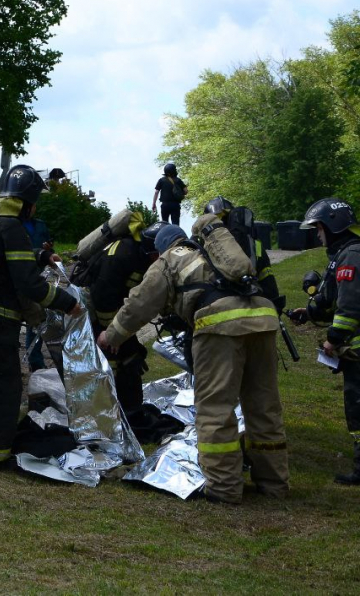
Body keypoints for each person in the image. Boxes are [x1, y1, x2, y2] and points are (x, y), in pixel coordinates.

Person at [96, 224, 289, 504]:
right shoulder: (212, 254)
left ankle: (224, 487)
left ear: (162, 247)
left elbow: (140, 303)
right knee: (263, 405)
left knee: (215, 407)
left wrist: (111, 334)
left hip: (219, 324)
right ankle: (274, 484)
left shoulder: (170, 258)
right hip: (262, 319)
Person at [0, 165, 82, 470]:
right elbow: (29, 284)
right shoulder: (12, 228)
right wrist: (67, 302)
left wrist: (39, 255)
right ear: (27, 202)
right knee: (1, 385)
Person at [286, 198, 360, 485]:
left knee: (357, 406)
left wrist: (333, 339)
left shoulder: (351, 255)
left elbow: (351, 307)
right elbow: (332, 297)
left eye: (319, 229)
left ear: (331, 226)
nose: (317, 235)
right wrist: (310, 312)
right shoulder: (345, 253)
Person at [87, 220, 165, 417]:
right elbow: (103, 299)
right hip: (92, 311)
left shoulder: (142, 256)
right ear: (152, 250)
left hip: (113, 309)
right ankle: (108, 413)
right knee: (112, 360)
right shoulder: (122, 256)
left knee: (132, 357)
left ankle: (130, 411)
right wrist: (113, 334)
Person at [23, 215, 53, 371]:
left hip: (39, 276)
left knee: (35, 321)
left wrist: (48, 249)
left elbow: (50, 247)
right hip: (21, 276)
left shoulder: (40, 224)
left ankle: (35, 362)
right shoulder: (14, 224)